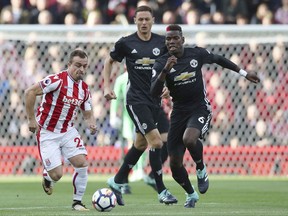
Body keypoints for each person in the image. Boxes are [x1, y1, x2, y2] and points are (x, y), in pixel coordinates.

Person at [151, 24, 260, 208]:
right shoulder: (162, 62)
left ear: (182, 40)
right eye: (168, 39)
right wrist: (165, 71)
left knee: (190, 139)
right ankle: (191, 194)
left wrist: (243, 73)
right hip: (178, 112)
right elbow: (153, 92)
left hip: (199, 108)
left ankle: (200, 168)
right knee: (175, 165)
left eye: (175, 38)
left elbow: (218, 59)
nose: (171, 42)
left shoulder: (196, 54)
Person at [103, 5, 177, 206]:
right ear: (135, 20)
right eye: (140, 19)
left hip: (155, 101)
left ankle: (117, 181)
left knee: (147, 143)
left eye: (147, 19)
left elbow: (171, 66)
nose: (144, 23)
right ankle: (161, 189)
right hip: (136, 100)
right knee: (155, 142)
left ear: (153, 20)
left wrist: (169, 87)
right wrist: (107, 86)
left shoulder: (162, 42)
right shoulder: (126, 43)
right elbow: (109, 62)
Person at [24, 49, 97, 211]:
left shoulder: (84, 89)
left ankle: (77, 202)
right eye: (78, 65)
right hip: (47, 132)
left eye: (85, 66)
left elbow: (88, 113)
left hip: (67, 131)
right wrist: (31, 119)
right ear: (69, 64)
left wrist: (91, 123)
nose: (82, 70)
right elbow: (29, 92)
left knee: (82, 163)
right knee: (57, 174)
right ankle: (48, 177)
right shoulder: (57, 80)